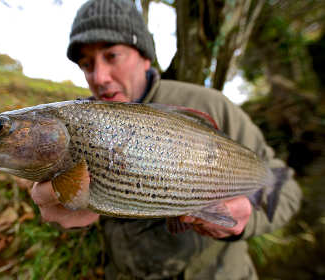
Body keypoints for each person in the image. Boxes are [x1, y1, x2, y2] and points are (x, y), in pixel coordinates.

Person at [30, 0, 302, 279]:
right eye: (87, 65)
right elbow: (61, 212)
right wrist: (61, 210)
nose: (99, 77)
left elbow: (288, 192)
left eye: (111, 56)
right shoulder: (75, 126)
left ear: (145, 56)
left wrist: (245, 221)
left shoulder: (212, 105)